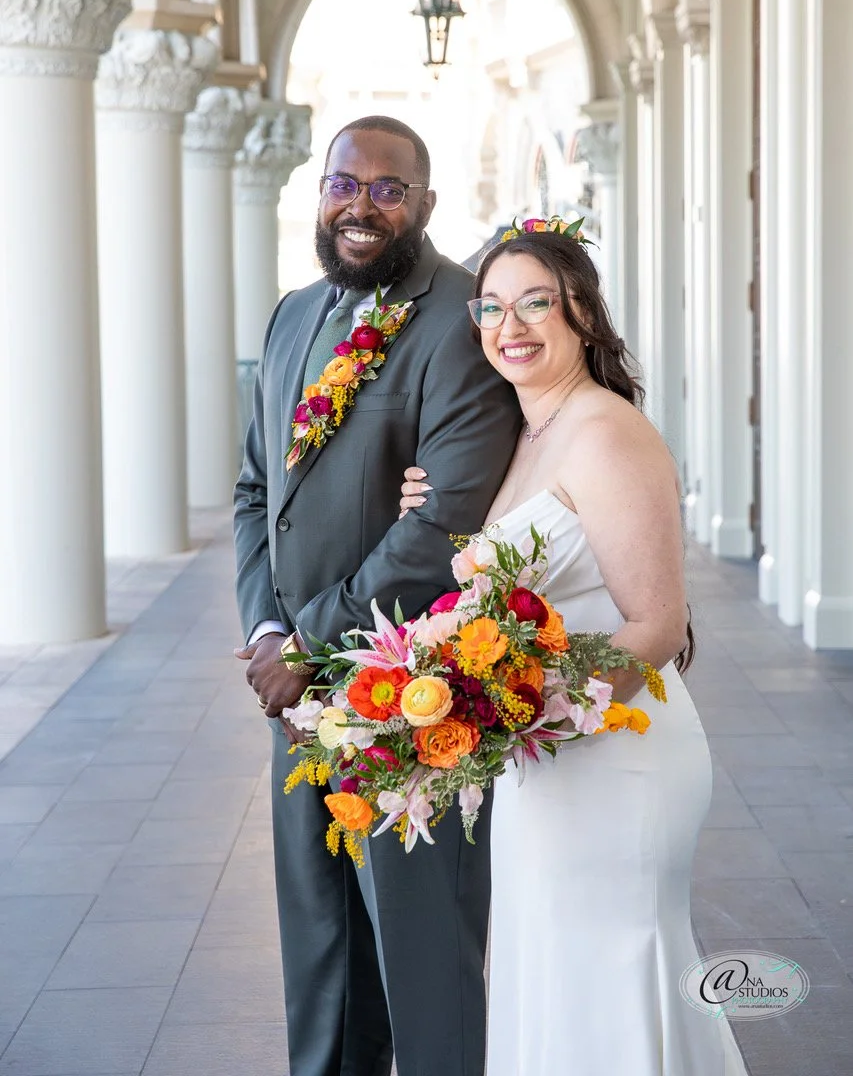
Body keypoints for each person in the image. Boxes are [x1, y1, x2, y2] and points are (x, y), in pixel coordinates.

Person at [398, 224, 749, 1075]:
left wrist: (520, 707)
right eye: (489, 306)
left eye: (533, 302)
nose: (508, 323)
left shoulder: (604, 430)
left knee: (609, 974)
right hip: (544, 764)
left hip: (617, 759)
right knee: (550, 970)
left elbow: (656, 626)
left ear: (582, 313)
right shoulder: (525, 435)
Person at [232, 115, 520, 1076]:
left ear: (424, 203)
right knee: (322, 951)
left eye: (388, 188)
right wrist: (268, 629)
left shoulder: (459, 320)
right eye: (343, 183)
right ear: (318, 192)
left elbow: (440, 529)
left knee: (420, 958)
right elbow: (254, 492)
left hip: (410, 697)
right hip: (297, 696)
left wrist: (305, 643)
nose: (361, 204)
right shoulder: (291, 314)